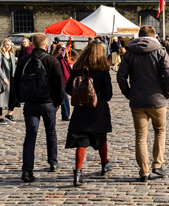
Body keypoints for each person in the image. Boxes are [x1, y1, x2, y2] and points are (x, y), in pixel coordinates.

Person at [117, 25, 169, 182]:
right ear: (154, 36)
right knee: (160, 131)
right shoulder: (161, 51)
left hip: (137, 101)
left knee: (140, 137)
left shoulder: (129, 53)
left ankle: (144, 172)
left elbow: (121, 77)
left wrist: (128, 93)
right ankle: (157, 164)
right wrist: (166, 93)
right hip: (157, 99)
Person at [13, 33, 65, 183]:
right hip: (48, 102)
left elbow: (16, 82)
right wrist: (59, 101)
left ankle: (27, 170)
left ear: (32, 44)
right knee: (51, 132)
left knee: (30, 136)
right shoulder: (51, 60)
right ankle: (53, 163)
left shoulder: (23, 60)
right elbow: (60, 84)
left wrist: (21, 98)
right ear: (46, 44)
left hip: (30, 103)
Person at [65, 41, 113, 186]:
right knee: (101, 137)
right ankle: (104, 164)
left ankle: (78, 173)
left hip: (80, 108)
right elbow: (108, 94)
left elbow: (68, 89)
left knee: (81, 141)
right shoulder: (103, 69)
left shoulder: (78, 68)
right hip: (98, 109)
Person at [0, 39, 18, 125]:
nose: (8, 46)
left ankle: (9, 114)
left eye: (10, 45)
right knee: (0, 97)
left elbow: (14, 67)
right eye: (7, 45)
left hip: (11, 78)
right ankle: (0, 117)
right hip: (1, 78)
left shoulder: (12, 55)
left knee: (15, 96)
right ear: (4, 45)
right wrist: (3, 78)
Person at [52, 44, 71, 122]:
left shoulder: (65, 59)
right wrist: (63, 50)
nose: (63, 50)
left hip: (65, 81)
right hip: (60, 80)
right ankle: (65, 115)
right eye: (61, 49)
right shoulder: (57, 57)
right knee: (63, 98)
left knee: (63, 99)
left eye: (63, 49)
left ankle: (65, 115)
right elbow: (61, 56)